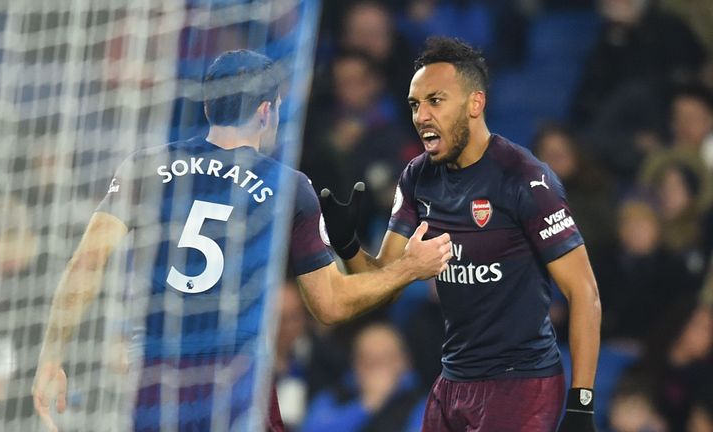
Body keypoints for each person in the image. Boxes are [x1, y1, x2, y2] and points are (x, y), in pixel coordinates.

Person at [31, 49, 452, 432]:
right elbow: (330, 305)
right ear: (266, 112)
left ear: (209, 105)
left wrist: (51, 355)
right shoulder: (286, 185)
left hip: (153, 382)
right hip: (234, 383)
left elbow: (87, 264)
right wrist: (408, 269)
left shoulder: (145, 166)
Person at [319, 37, 601, 431]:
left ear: (475, 104)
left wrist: (582, 404)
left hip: (521, 383)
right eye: (415, 105)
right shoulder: (417, 176)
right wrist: (349, 245)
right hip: (453, 380)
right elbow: (385, 282)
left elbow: (583, 291)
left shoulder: (524, 178)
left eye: (435, 100)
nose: (421, 116)